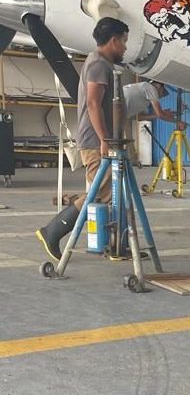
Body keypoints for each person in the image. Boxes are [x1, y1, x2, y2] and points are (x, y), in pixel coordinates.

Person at [35, 17, 129, 261]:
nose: (125, 47)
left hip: (101, 140)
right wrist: (105, 139)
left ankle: (117, 246)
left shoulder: (100, 63)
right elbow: (93, 104)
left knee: (107, 193)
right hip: (96, 141)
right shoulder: (98, 65)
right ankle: (52, 231)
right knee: (100, 195)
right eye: (124, 42)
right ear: (114, 41)